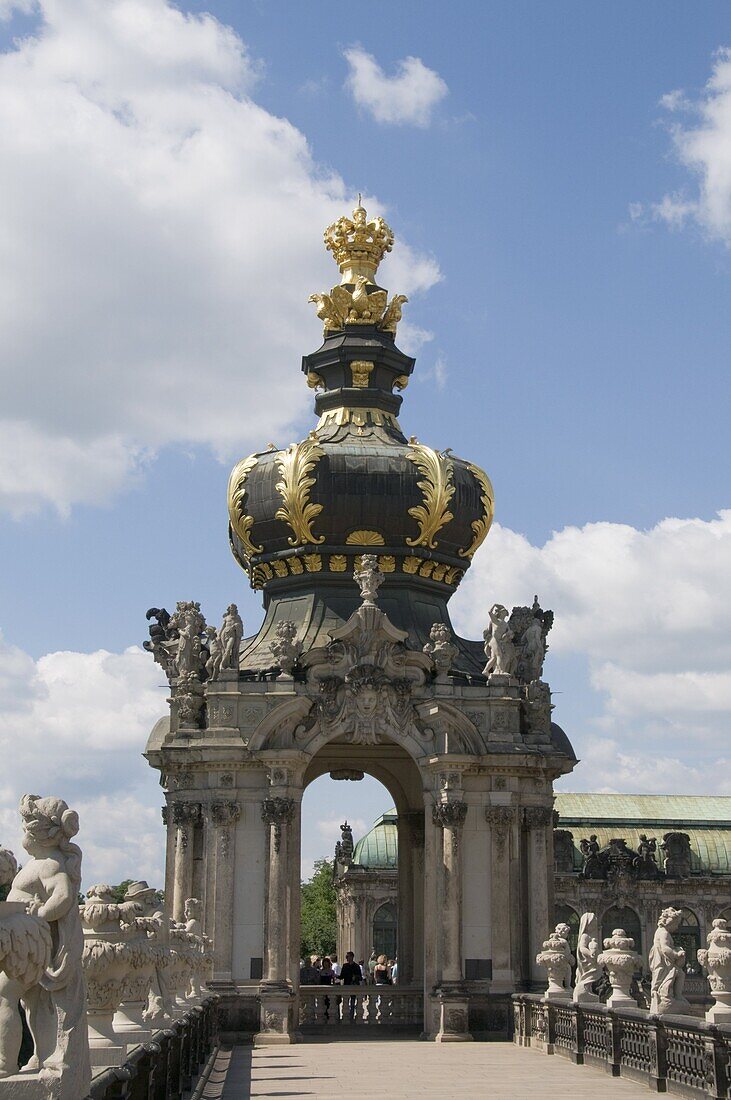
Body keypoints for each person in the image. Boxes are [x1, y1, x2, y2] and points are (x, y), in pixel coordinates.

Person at [340, 951, 361, 1021]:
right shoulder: (345, 966)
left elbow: (360, 977)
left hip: (354, 986)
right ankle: (346, 1015)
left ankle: (351, 1016)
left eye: (347, 956)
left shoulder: (356, 966)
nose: (346, 958)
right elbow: (341, 976)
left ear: (352, 957)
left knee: (352, 1002)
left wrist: (356, 977)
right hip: (346, 985)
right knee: (345, 1001)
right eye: (346, 957)